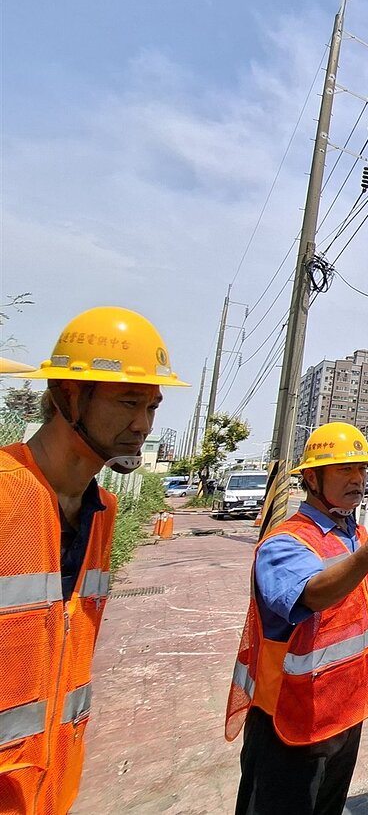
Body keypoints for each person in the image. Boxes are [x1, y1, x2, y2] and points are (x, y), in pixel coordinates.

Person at [0, 307, 189, 815]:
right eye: (129, 401)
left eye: (152, 406)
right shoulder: (4, 495)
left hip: (52, 790)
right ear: (67, 396)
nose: (143, 425)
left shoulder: (103, 512)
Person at [226, 422, 368, 815]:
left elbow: (347, 583)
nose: (357, 479)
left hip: (344, 710)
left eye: (362, 469)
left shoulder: (353, 532)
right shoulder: (285, 542)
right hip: (291, 720)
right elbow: (314, 593)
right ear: (312, 478)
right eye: (344, 469)